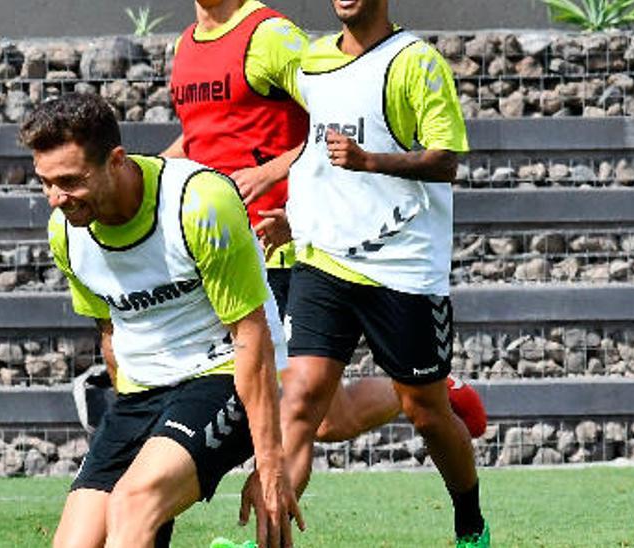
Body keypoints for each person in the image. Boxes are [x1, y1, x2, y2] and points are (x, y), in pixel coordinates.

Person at [164, 0, 486, 446]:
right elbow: (201, 134)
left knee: (283, 404)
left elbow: (331, 116)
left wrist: (273, 173)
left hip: (283, 244)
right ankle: (426, 390)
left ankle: (422, 392)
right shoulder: (185, 45)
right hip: (222, 244)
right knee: (327, 420)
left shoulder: (271, 36)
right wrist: (150, 177)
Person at [25, 93, 301, 548]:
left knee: (132, 503)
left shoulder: (199, 201)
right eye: (45, 182)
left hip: (222, 374)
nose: (56, 199)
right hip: (141, 393)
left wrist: (270, 463)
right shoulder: (66, 233)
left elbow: (251, 336)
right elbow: (110, 335)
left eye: (70, 181)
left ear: (116, 160)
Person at [273, 0, 490, 545]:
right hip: (323, 260)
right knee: (302, 404)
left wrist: (372, 160)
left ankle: (471, 522)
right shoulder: (314, 61)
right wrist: (296, 220)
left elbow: (446, 161)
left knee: (426, 412)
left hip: (403, 266)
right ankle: (266, 538)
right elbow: (314, 155)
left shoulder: (416, 62)